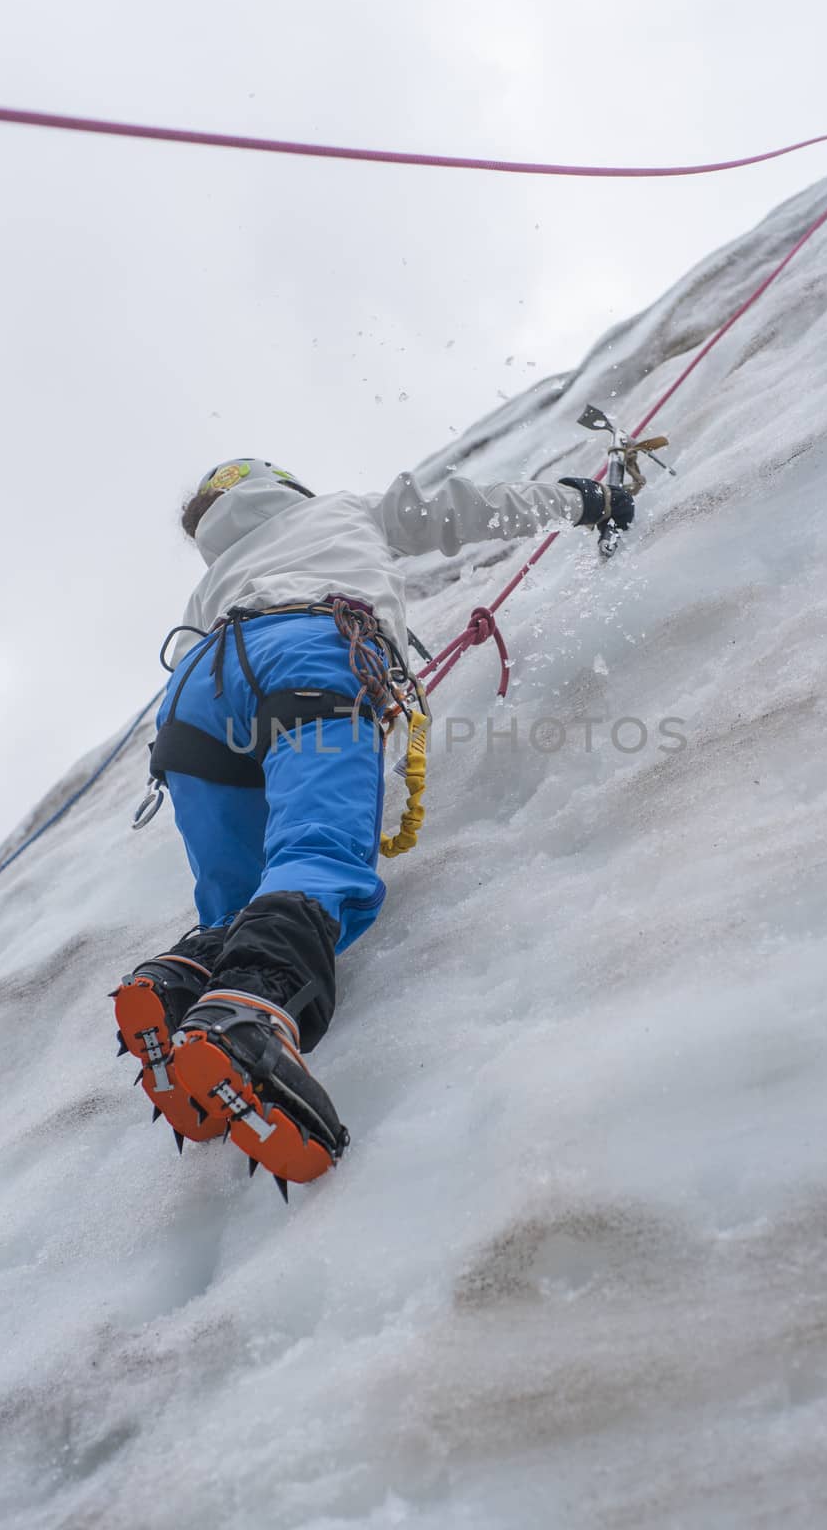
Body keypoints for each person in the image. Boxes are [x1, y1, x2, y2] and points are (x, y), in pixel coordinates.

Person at [113, 456, 635, 1194]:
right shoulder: (340, 511)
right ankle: (247, 1018)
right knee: (315, 850)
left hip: (194, 698)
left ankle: (177, 989)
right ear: (281, 485)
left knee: (238, 898)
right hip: (309, 649)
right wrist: (584, 500)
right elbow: (466, 509)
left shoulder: (215, 575)